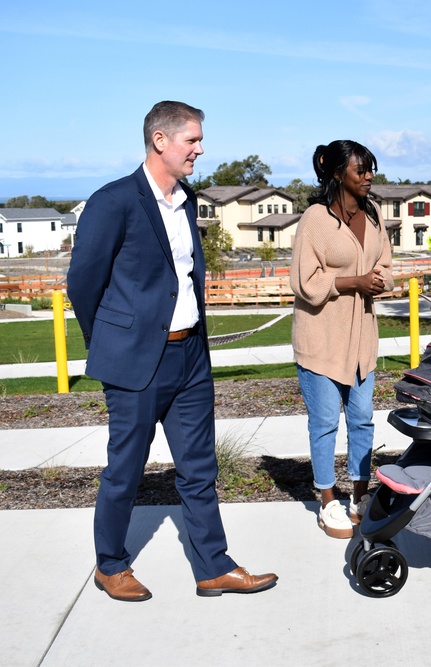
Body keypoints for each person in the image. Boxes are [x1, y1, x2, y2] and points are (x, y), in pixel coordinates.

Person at [67, 101, 277, 601]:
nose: (200, 150)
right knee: (125, 469)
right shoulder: (113, 201)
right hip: (136, 362)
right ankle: (111, 564)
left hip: (189, 359)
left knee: (200, 468)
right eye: (192, 140)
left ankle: (213, 566)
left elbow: (185, 276)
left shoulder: (187, 200)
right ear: (160, 140)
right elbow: (83, 282)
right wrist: (111, 344)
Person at [290, 140, 393, 539]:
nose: (368, 177)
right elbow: (306, 283)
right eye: (360, 170)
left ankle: (360, 495)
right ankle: (328, 499)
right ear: (337, 174)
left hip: (362, 340)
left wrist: (380, 280)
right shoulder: (314, 220)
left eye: (370, 169)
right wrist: (355, 282)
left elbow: (384, 264)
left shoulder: (374, 215)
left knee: (363, 419)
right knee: (325, 423)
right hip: (321, 339)